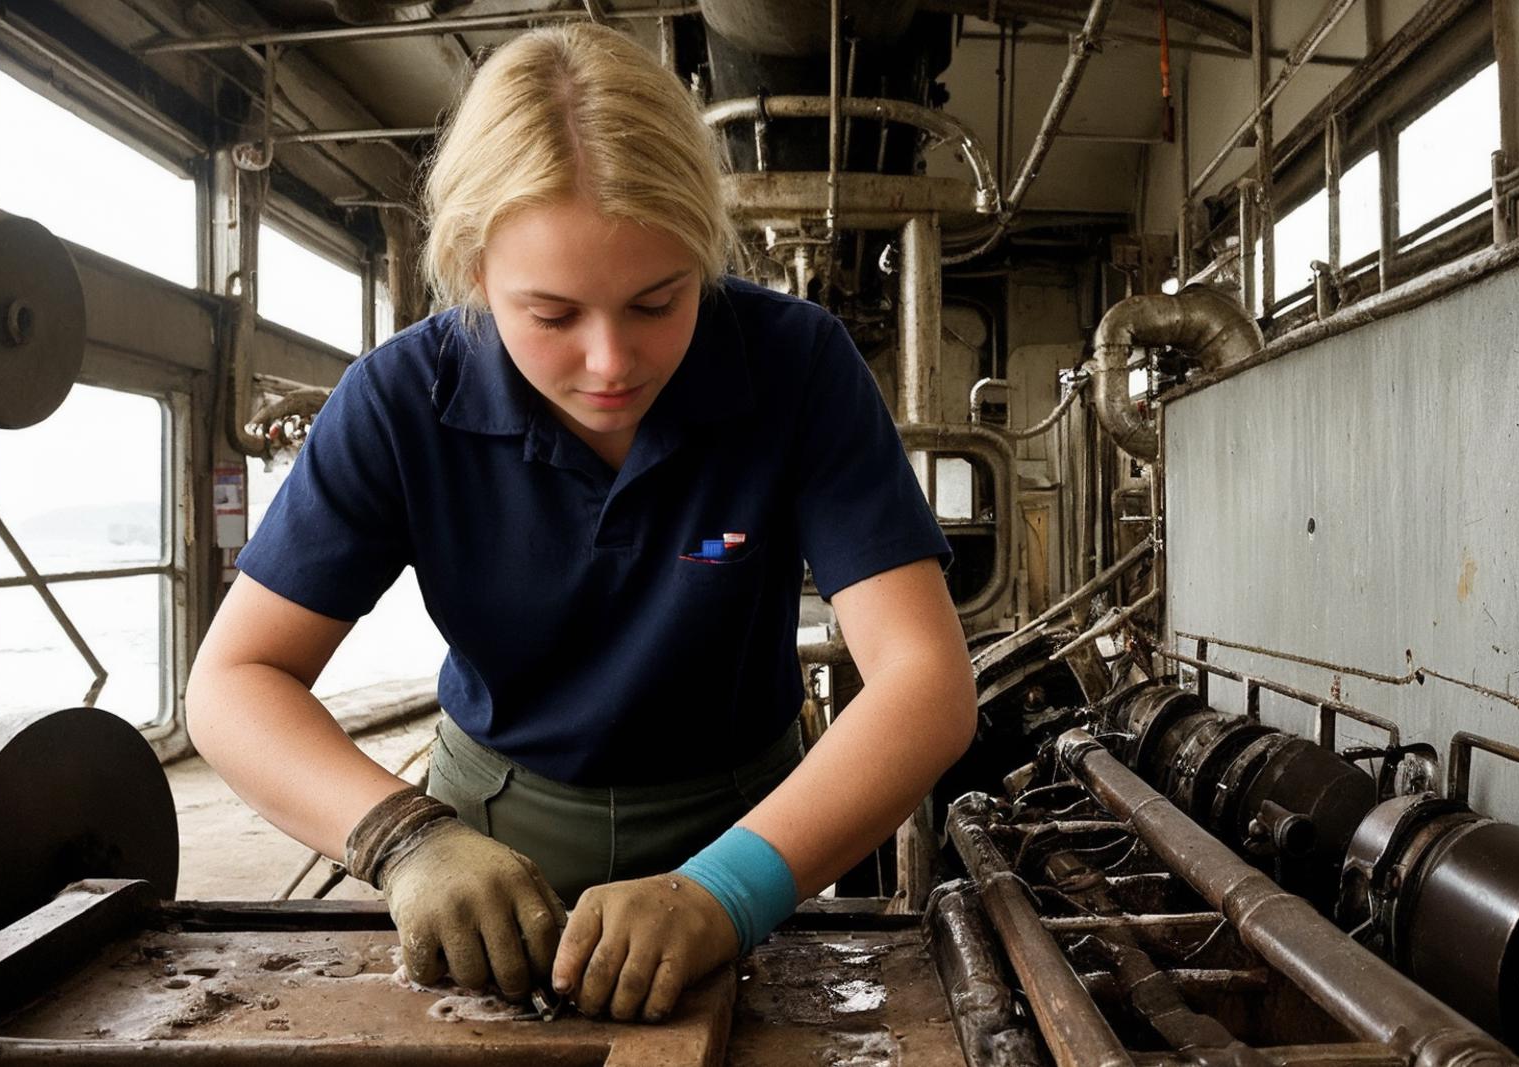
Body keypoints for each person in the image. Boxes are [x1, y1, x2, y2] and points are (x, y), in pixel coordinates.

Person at [185, 22, 976, 1024]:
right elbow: (232, 680)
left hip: (752, 830)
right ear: (474, 273)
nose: (610, 363)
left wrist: (726, 891)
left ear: (703, 247)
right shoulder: (398, 400)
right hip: (488, 839)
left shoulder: (797, 366)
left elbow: (927, 681)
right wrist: (401, 838)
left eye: (657, 301)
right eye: (551, 316)